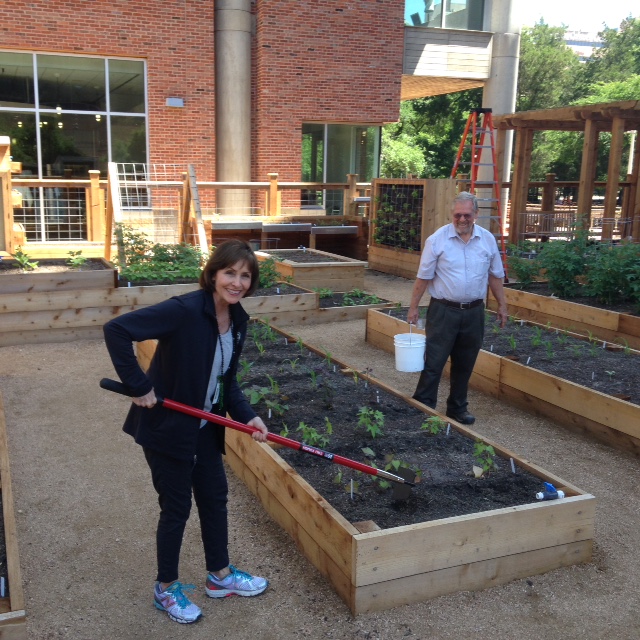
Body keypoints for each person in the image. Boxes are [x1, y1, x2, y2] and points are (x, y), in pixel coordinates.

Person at [103, 239, 269, 625]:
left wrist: (248, 417)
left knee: (215, 499)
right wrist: (138, 385)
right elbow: (117, 329)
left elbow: (227, 382)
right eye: (230, 272)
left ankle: (220, 576)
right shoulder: (185, 310)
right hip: (168, 428)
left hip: (205, 426)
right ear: (213, 274)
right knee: (176, 508)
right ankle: (166, 588)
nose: (237, 282)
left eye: (245, 276)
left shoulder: (238, 319)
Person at [407, 191, 508, 425]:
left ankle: (457, 408)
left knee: (465, 362)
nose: (462, 219)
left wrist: (502, 305)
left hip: (474, 311)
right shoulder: (437, 240)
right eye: (457, 215)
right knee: (434, 361)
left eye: (467, 215)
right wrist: (413, 307)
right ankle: (424, 405)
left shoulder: (487, 240)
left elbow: (495, 276)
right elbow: (423, 278)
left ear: (476, 214)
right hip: (443, 310)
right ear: (451, 215)